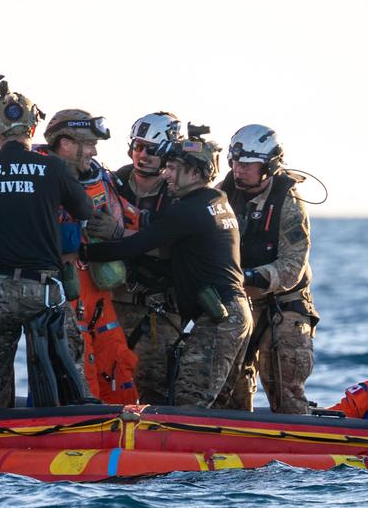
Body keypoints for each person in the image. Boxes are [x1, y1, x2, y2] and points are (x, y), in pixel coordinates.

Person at [0, 91, 94, 408]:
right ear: (32, 128)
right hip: (42, 290)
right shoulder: (53, 168)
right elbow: (84, 210)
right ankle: (71, 434)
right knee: (68, 369)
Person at [83, 132, 251, 408]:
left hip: (220, 318)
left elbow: (134, 246)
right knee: (221, 403)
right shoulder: (218, 201)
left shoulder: (188, 209)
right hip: (234, 311)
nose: (166, 174)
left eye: (173, 169)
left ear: (195, 174)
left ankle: (183, 446)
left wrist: (83, 253)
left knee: (188, 397)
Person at [218, 124, 316, 414]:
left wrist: (249, 276)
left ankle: (301, 448)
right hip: (240, 302)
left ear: (269, 165)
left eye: (248, 164)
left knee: (285, 386)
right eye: (235, 163)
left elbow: (292, 267)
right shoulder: (223, 194)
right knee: (229, 387)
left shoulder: (289, 201)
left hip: (283, 304)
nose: (239, 170)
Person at [43, 108, 136, 404]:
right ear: (66, 143)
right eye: (88, 143)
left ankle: (122, 429)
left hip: (98, 288)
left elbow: (134, 220)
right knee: (74, 363)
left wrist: (117, 232)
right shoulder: (39, 178)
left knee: (116, 359)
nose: (94, 151)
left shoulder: (103, 178)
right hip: (61, 291)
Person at [111, 112, 183, 403]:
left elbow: (176, 244)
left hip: (159, 310)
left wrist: (120, 234)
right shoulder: (113, 182)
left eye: (151, 150)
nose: (142, 155)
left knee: (156, 389)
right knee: (109, 382)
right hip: (113, 304)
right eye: (137, 146)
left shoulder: (180, 190)